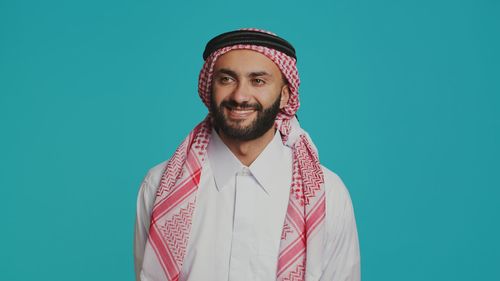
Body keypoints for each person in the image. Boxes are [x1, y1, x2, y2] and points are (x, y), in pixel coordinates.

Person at [134, 28, 360, 281]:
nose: (240, 96)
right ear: (210, 88)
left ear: (285, 95)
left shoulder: (327, 193)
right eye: (227, 79)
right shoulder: (160, 185)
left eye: (258, 81)